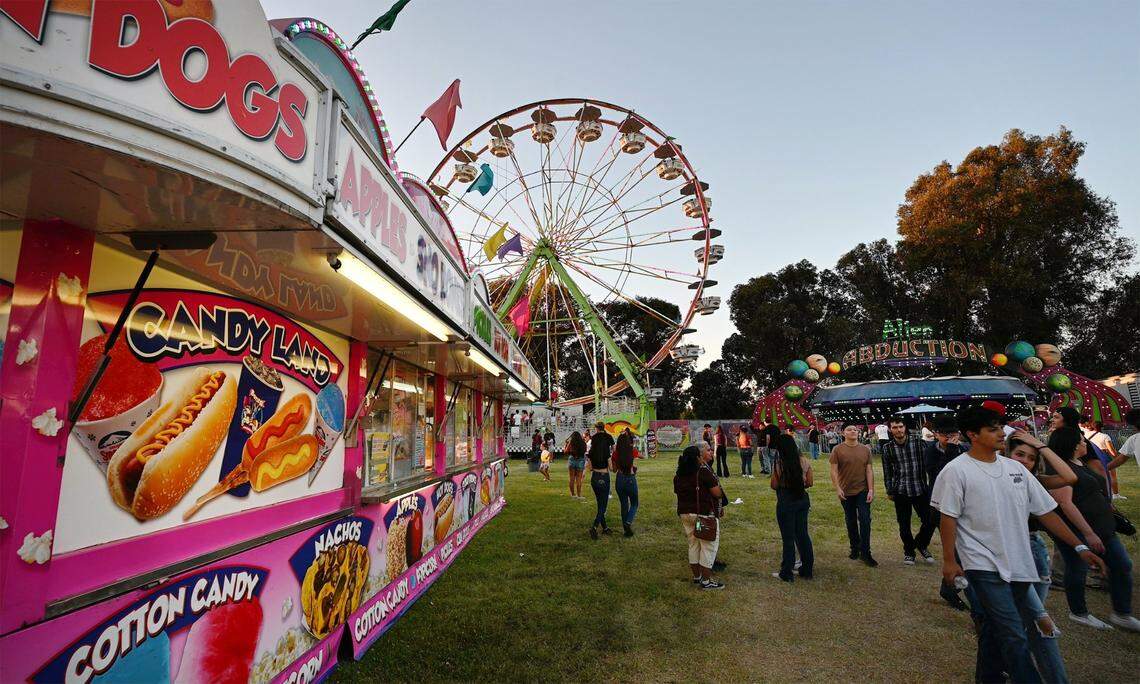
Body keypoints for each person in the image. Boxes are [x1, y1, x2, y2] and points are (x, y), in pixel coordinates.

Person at [932, 404, 1109, 684]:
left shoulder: (1016, 469)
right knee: (1014, 633)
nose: (1001, 433)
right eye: (992, 429)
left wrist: (1080, 547)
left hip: (1020, 562)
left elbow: (1046, 512)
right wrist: (950, 561)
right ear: (972, 435)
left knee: (995, 629)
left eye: (1000, 427)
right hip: (982, 564)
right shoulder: (956, 471)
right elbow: (948, 518)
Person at [1045, 427, 1140, 632]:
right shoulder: (1060, 468)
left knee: (1122, 565)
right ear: (1071, 444)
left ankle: (1122, 613)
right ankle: (1079, 612)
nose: (1085, 443)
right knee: (1077, 568)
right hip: (1080, 529)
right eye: (1081, 440)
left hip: (1103, 528)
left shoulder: (1081, 462)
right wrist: (1087, 533)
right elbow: (1065, 503)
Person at [1006, 430, 1079, 684]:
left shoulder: (1035, 480)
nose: (1025, 461)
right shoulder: (997, 478)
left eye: (1031, 458)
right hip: (1012, 554)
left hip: (1035, 553)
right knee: (1037, 620)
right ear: (1007, 454)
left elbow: (1070, 477)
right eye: (1019, 454)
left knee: (1031, 621)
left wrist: (1040, 445)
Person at [881, 417, 937, 565]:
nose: (898, 430)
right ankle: (909, 552)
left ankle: (921, 544)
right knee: (904, 524)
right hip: (900, 490)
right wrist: (889, 490)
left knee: (930, 521)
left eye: (900, 426)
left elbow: (931, 464)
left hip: (920, 488)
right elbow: (887, 471)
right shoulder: (887, 448)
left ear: (905, 427)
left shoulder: (919, 443)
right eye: (895, 427)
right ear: (890, 429)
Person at [925, 415, 967, 609]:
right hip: (941, 505)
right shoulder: (931, 451)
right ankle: (950, 587)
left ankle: (951, 587)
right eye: (945, 435)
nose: (949, 439)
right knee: (956, 550)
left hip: (963, 505)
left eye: (953, 435)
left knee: (964, 550)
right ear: (936, 435)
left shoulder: (964, 450)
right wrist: (950, 451)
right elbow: (939, 475)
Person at [674, 441, 725, 589]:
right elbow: (717, 493)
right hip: (703, 514)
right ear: (697, 458)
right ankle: (706, 581)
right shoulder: (702, 472)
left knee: (693, 544)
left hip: (685, 514)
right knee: (708, 546)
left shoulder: (678, 475)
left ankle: (697, 577)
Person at [830, 421, 876, 566]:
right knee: (850, 520)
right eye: (849, 430)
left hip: (862, 490)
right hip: (846, 491)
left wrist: (871, 489)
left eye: (855, 429)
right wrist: (838, 488)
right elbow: (833, 471)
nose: (853, 431)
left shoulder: (865, 450)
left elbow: (869, 470)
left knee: (865, 520)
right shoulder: (837, 450)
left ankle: (866, 552)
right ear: (843, 433)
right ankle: (854, 548)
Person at [771, 434, 814, 582]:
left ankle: (786, 572)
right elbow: (810, 482)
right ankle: (807, 569)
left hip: (786, 500)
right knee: (803, 535)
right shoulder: (804, 461)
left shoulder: (780, 463)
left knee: (788, 538)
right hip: (802, 499)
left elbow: (774, 485)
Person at [1082, 419, 1127, 500]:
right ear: (1101, 427)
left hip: (1091, 457)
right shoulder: (1105, 436)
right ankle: (1115, 494)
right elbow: (1112, 451)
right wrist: (1116, 457)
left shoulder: (1086, 434)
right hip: (1104, 456)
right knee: (1112, 476)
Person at [586, 422, 615, 539]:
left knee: (600, 504)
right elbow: (611, 468)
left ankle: (605, 528)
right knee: (603, 506)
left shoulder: (591, 452)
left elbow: (590, 467)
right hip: (604, 476)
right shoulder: (606, 452)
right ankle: (594, 527)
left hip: (595, 477)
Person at [614, 430, 639, 536]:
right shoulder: (633, 451)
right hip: (630, 478)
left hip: (619, 478)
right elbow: (635, 467)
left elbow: (614, 469)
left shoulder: (616, 453)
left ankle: (626, 530)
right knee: (634, 503)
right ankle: (628, 522)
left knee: (624, 505)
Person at [565, 431, 587, 499]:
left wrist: (566, 444)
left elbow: (565, 451)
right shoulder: (583, 443)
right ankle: (579, 495)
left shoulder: (571, 442)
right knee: (579, 479)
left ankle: (573, 494)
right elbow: (585, 451)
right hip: (580, 460)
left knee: (571, 478)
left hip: (572, 459)